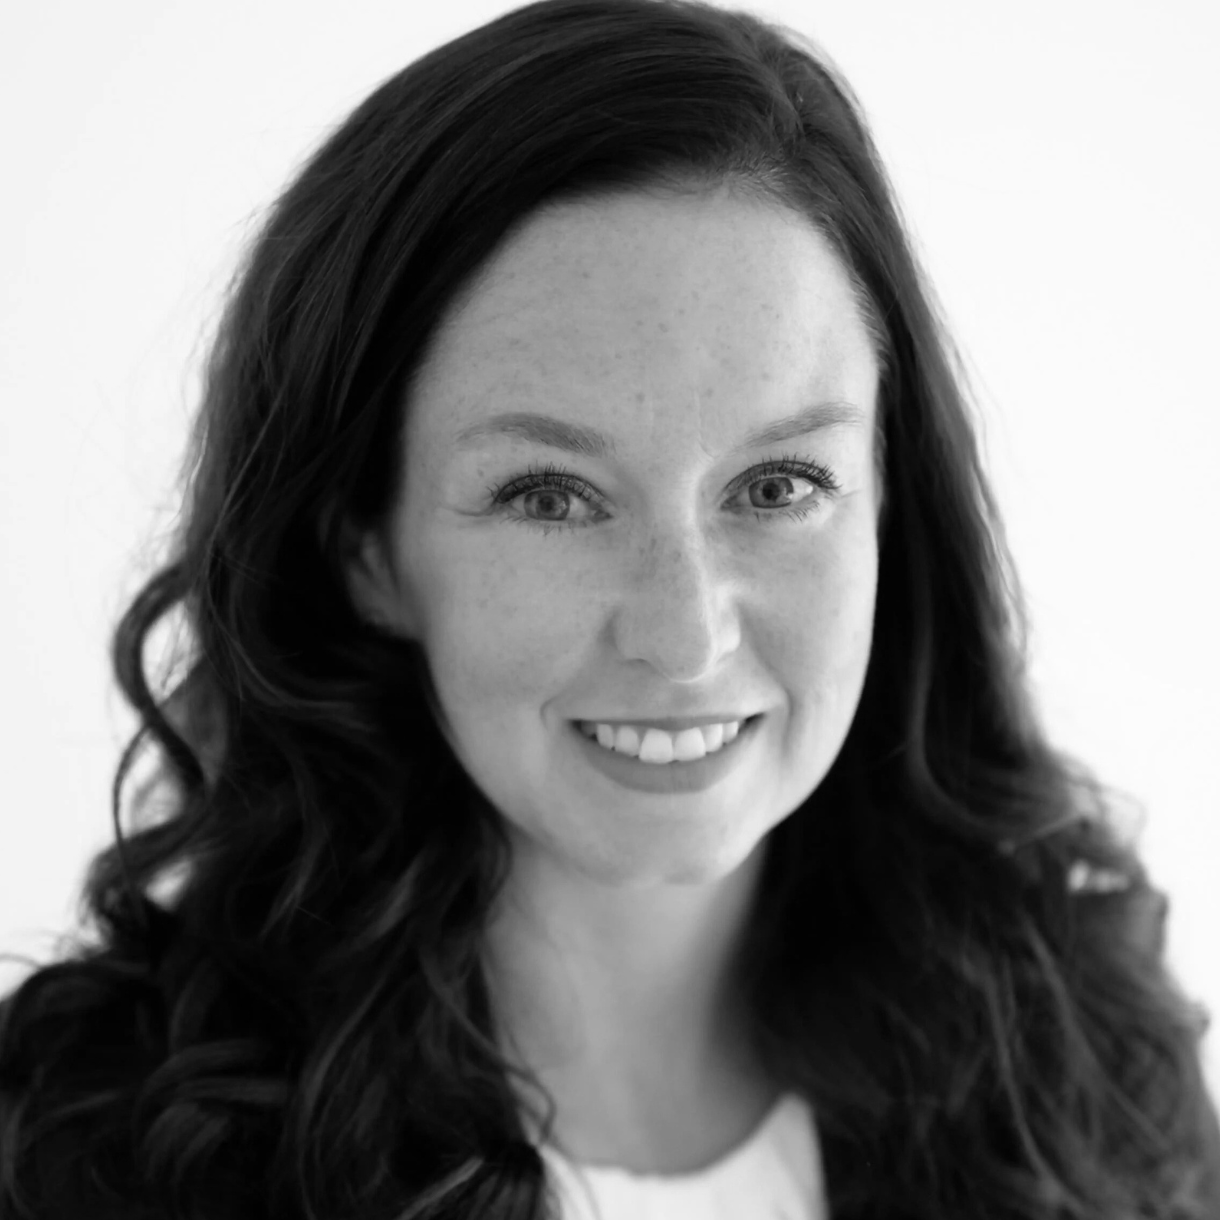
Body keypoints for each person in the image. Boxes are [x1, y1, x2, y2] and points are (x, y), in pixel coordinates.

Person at [1, 0, 1217, 1216]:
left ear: (891, 507)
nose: (685, 633)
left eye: (779, 484)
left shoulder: (1092, 1093)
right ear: (363, 546)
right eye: (550, 495)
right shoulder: (97, 1149)